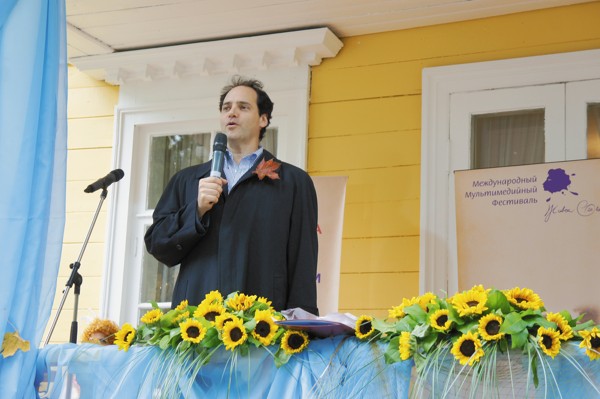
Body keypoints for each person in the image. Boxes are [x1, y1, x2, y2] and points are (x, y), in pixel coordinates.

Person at [144, 76, 319, 315]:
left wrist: (301, 324)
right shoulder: (188, 180)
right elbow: (158, 244)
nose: (232, 113)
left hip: (263, 323)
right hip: (195, 322)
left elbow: (303, 259)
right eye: (226, 108)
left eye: (243, 107)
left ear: (263, 119)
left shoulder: (293, 182)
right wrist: (195, 211)